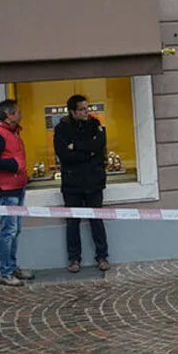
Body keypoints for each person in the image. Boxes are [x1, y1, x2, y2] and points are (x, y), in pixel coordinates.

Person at [53, 94, 110, 273]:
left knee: (96, 220)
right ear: (73, 112)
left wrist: (76, 146)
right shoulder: (62, 128)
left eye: (87, 108)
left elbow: (99, 146)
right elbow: (64, 154)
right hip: (72, 183)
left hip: (93, 181)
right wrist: (88, 152)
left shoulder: (94, 124)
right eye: (82, 109)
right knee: (72, 223)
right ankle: (74, 259)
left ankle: (102, 256)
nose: (87, 111)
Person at [0, 98, 34, 287]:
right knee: (9, 231)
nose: (21, 115)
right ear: (9, 115)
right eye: (18, 112)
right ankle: (5, 272)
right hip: (5, 190)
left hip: (17, 187)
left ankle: (12, 267)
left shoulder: (13, 133)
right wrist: (13, 165)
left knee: (15, 230)